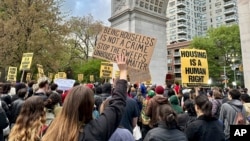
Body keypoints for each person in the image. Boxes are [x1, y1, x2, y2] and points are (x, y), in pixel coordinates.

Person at [42, 54, 128, 141]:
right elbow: (117, 105)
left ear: (68, 102)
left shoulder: (52, 129)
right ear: (90, 106)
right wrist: (123, 71)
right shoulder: (94, 131)